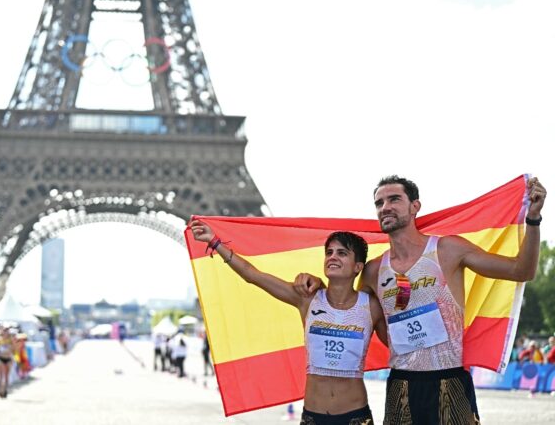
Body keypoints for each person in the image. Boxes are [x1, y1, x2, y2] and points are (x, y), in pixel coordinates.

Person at [293, 175, 547, 424]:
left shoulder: (448, 250)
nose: (385, 208)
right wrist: (317, 285)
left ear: (415, 206)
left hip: (450, 380)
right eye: (379, 203)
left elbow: (521, 271)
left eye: (394, 199)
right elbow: (348, 308)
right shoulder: (372, 271)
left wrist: (533, 219)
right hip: (401, 384)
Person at [190, 219, 387, 425]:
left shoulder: (372, 306)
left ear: (358, 267)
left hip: (355, 417)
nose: (332, 257)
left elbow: (397, 342)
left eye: (342, 253)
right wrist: (215, 243)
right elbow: (252, 275)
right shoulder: (307, 298)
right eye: (329, 252)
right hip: (313, 416)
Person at [0, 326, 15, 398]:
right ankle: (0, 390)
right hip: (1, 358)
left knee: (6, 376)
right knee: (0, 376)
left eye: (7, 331)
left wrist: (10, 348)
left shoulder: (10, 340)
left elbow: (13, 349)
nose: (6, 332)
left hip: (8, 359)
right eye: (5, 331)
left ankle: (5, 390)